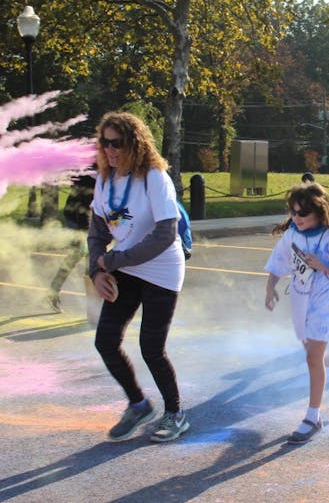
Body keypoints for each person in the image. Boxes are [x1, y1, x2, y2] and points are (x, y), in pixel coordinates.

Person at [87, 112, 189, 443]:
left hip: (162, 269)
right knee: (105, 340)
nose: (110, 150)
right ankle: (139, 404)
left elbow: (165, 234)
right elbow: (97, 232)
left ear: (135, 143)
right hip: (127, 267)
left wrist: (115, 260)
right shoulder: (104, 180)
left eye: (117, 143)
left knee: (151, 347)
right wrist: (96, 270)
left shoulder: (154, 177)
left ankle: (175, 413)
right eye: (104, 143)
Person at [264, 182, 329, 444]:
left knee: (312, 358)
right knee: (314, 353)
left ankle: (313, 418)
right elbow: (279, 262)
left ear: (319, 212)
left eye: (303, 213)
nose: (297, 218)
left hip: (326, 300)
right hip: (300, 299)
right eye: (293, 212)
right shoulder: (291, 235)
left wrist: (322, 264)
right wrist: (270, 288)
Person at [47, 170, 96, 312]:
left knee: (89, 257)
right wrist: (85, 232)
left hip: (88, 218)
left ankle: (93, 303)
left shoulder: (103, 171)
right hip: (78, 217)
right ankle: (54, 291)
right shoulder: (89, 173)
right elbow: (81, 205)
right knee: (82, 254)